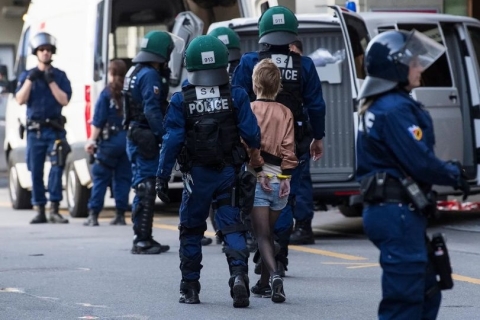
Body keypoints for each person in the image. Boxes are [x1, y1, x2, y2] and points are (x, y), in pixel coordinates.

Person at [356, 30, 470, 319]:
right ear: (395, 67)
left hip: (398, 211)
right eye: (414, 63)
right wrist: (455, 174)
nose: (420, 68)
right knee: (404, 303)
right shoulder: (393, 109)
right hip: (397, 213)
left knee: (427, 291)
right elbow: (420, 161)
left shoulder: (382, 104)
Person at [155, 35, 261, 307]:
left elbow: (172, 141)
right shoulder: (236, 95)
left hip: (196, 178)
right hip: (228, 173)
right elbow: (252, 135)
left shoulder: (181, 100)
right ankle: (238, 276)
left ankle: (190, 288)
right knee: (232, 225)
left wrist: (162, 176)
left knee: (191, 230)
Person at [232, 5, 326, 276]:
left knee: (256, 198)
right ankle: (279, 257)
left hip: (254, 146)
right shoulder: (304, 65)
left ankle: (263, 252)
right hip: (291, 145)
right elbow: (316, 106)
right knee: (284, 198)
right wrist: (317, 138)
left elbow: (237, 102)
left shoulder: (249, 62)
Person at [123, 31, 183, 254]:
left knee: (143, 185)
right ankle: (142, 240)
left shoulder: (135, 70)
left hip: (136, 133)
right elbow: (151, 109)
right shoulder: (149, 75)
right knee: (146, 186)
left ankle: (143, 237)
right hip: (144, 135)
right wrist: (164, 136)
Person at [246, 58, 297, 303]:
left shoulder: (250, 109)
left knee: (262, 236)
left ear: (255, 83)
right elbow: (289, 149)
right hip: (280, 181)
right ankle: (264, 284)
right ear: (277, 85)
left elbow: (249, 145)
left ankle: (275, 277)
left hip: (259, 179)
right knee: (270, 234)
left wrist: (258, 170)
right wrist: (286, 177)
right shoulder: (286, 112)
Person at [202, 26, 254, 248]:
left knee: (217, 193)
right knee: (237, 189)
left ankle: (223, 232)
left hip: (209, 143)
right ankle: (239, 233)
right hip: (235, 139)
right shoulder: (242, 68)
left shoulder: (200, 77)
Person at [15, 32, 72, 224]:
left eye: (48, 50)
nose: (45, 53)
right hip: (34, 131)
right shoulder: (27, 75)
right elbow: (20, 99)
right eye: (42, 50)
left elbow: (64, 100)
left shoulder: (59, 75)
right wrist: (31, 79)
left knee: (57, 167)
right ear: (36, 52)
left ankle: (54, 209)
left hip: (54, 129)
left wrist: (51, 81)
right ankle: (40, 208)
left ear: (52, 52)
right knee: (35, 170)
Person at [83, 59, 132, 226]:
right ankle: (120, 215)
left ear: (110, 74)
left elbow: (98, 121)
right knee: (123, 178)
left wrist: (91, 141)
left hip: (109, 143)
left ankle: (93, 215)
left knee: (101, 178)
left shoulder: (106, 94)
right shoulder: (129, 93)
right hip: (127, 142)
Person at [286, 39, 316, 245]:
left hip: (299, 136)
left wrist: (316, 136)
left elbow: (315, 105)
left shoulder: (303, 67)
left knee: (301, 181)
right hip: (284, 136)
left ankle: (303, 226)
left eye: (293, 51)